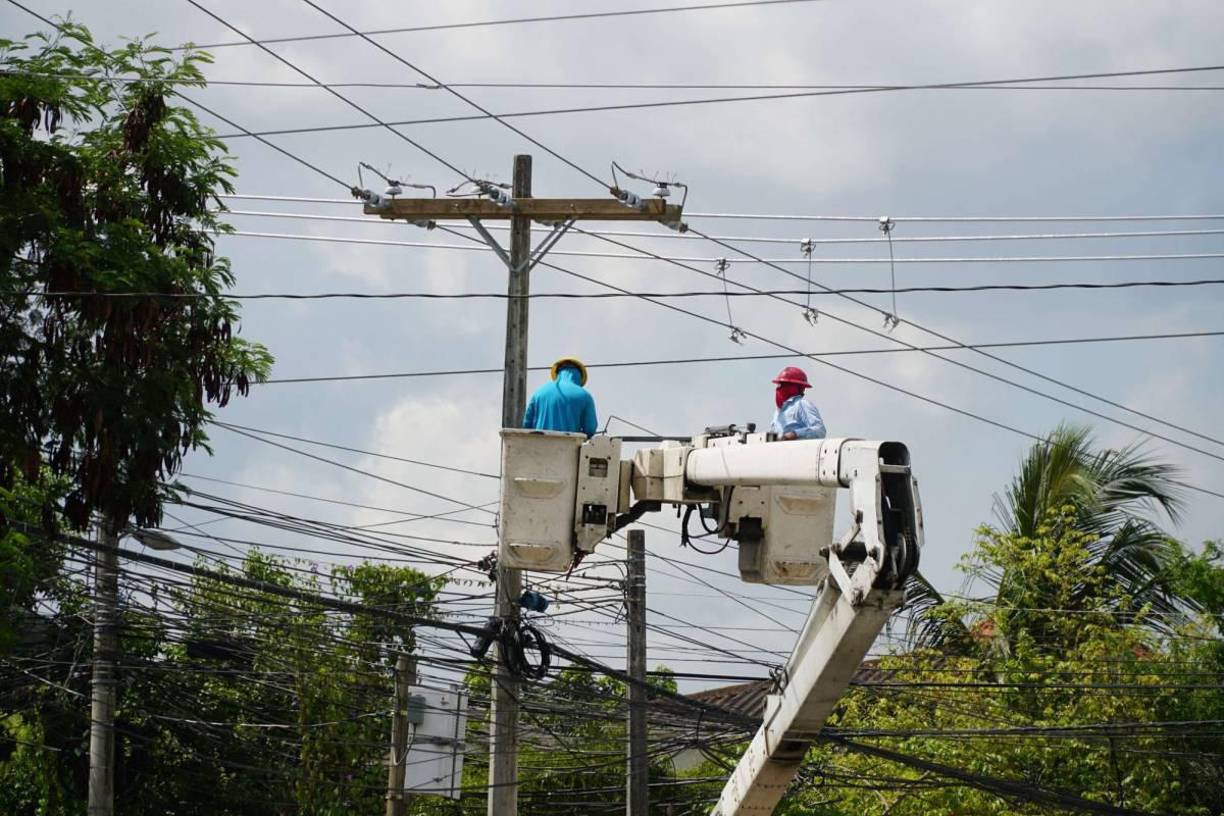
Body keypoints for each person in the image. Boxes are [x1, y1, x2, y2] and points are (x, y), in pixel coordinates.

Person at [523, 357, 598, 437]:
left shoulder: (538, 393)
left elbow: (526, 424)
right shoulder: (585, 396)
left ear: (557, 373)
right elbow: (590, 429)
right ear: (579, 376)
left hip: (538, 445)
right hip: (569, 447)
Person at [769, 366, 826, 440]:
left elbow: (820, 430)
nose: (779, 388)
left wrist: (794, 434)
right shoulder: (778, 412)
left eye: (783, 384)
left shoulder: (802, 405)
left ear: (797, 387)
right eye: (779, 384)